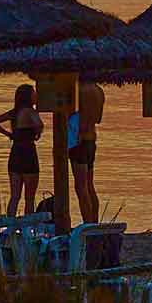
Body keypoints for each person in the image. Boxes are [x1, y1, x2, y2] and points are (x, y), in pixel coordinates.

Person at [0, 83, 44, 217]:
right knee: (29, 198)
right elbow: (39, 125)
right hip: (28, 153)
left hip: (16, 153)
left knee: (15, 196)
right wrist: (38, 132)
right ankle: (27, 229)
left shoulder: (14, 112)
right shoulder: (30, 111)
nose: (36, 95)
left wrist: (9, 134)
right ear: (28, 97)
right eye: (34, 93)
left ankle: (10, 227)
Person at [68, 80, 105, 225]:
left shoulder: (82, 89)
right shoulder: (99, 91)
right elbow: (98, 119)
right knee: (89, 185)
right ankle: (94, 222)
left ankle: (87, 223)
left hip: (80, 143)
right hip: (91, 141)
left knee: (80, 188)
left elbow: (80, 121)